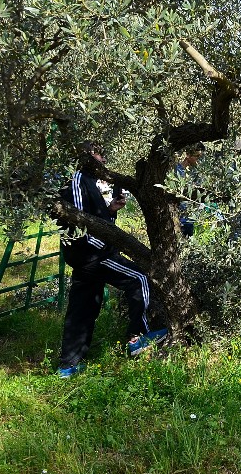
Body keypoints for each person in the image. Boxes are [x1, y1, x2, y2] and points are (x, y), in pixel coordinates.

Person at [57, 142, 166, 377]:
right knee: (140, 278)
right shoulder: (76, 180)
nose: (104, 160)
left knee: (83, 308)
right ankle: (138, 337)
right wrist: (104, 247)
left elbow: (94, 218)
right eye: (99, 154)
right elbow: (77, 220)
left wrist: (111, 209)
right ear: (86, 155)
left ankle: (69, 365)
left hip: (86, 255)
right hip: (92, 254)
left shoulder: (86, 181)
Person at [174, 145, 204, 237]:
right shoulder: (177, 171)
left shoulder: (193, 173)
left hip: (189, 219)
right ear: (188, 155)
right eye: (197, 156)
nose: (198, 159)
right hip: (179, 218)